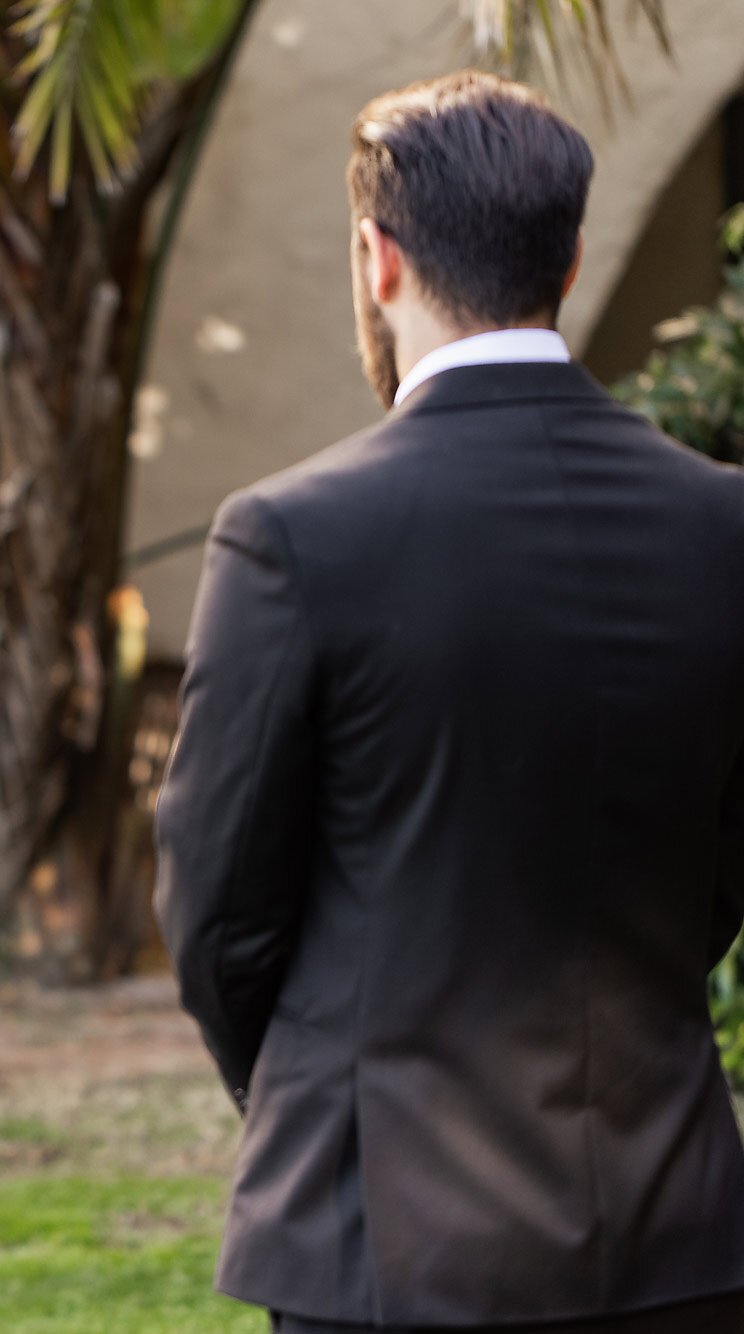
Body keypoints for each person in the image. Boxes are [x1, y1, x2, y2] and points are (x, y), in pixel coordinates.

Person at [154, 71, 744, 1334]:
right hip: (674, 1226)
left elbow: (214, 911)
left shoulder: (292, 535)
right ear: (572, 257)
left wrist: (318, 1092)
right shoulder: (722, 523)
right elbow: (719, 872)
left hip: (381, 1226)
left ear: (376, 258)